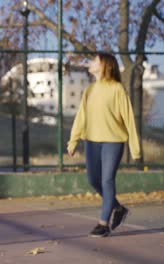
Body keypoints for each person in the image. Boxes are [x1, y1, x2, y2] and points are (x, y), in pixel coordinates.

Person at [67, 52, 141, 237]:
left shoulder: (117, 89)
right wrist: (73, 139)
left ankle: (103, 223)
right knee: (94, 180)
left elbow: (129, 119)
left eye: (94, 60)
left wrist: (135, 149)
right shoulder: (89, 90)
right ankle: (118, 208)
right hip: (91, 141)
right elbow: (81, 116)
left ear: (105, 65)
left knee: (107, 180)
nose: (91, 63)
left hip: (113, 142)